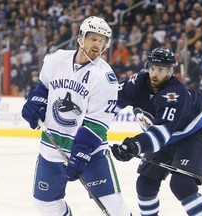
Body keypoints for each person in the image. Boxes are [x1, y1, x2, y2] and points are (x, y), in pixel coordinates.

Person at [21, 16, 132, 216]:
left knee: (114, 207)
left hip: (90, 151)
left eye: (102, 41)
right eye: (93, 39)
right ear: (80, 38)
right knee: (45, 204)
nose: (98, 44)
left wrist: (80, 152)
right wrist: (35, 104)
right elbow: (42, 89)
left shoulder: (105, 78)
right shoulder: (55, 60)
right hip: (51, 147)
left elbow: (97, 124)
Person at [112, 47, 202, 216]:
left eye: (161, 70)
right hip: (165, 135)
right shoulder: (136, 82)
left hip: (193, 135)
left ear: (170, 72)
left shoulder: (174, 94)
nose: (154, 73)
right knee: (145, 184)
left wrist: (133, 146)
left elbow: (159, 136)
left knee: (181, 184)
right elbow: (109, 105)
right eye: (152, 68)